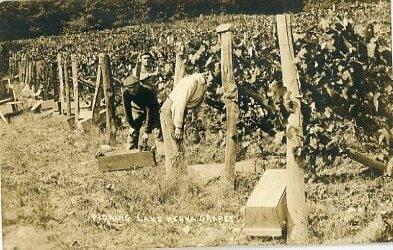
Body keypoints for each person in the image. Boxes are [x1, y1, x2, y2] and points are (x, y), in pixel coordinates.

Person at [160, 69, 215, 175]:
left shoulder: (203, 84)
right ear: (208, 74)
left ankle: (182, 174)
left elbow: (201, 104)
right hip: (171, 110)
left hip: (180, 111)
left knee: (179, 144)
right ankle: (174, 177)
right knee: (174, 144)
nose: (214, 84)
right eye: (214, 79)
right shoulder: (192, 81)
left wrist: (199, 119)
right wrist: (178, 127)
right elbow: (179, 104)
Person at [122, 75, 161, 150]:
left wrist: (147, 131)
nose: (132, 90)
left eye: (134, 87)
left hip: (153, 108)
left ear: (138, 85)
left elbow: (150, 110)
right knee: (132, 133)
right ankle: (131, 151)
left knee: (156, 131)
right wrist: (132, 126)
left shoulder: (147, 91)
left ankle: (157, 152)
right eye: (130, 88)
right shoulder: (126, 93)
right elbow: (127, 110)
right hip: (138, 108)